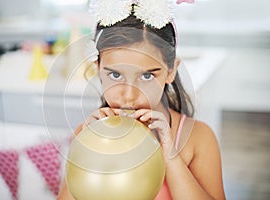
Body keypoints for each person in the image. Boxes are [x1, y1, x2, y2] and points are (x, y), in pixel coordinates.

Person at [58, 1, 226, 199]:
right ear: (98, 68)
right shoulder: (85, 133)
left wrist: (170, 156)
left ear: (170, 70)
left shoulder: (199, 138)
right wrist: (88, 151)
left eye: (146, 76)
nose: (129, 95)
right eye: (115, 75)